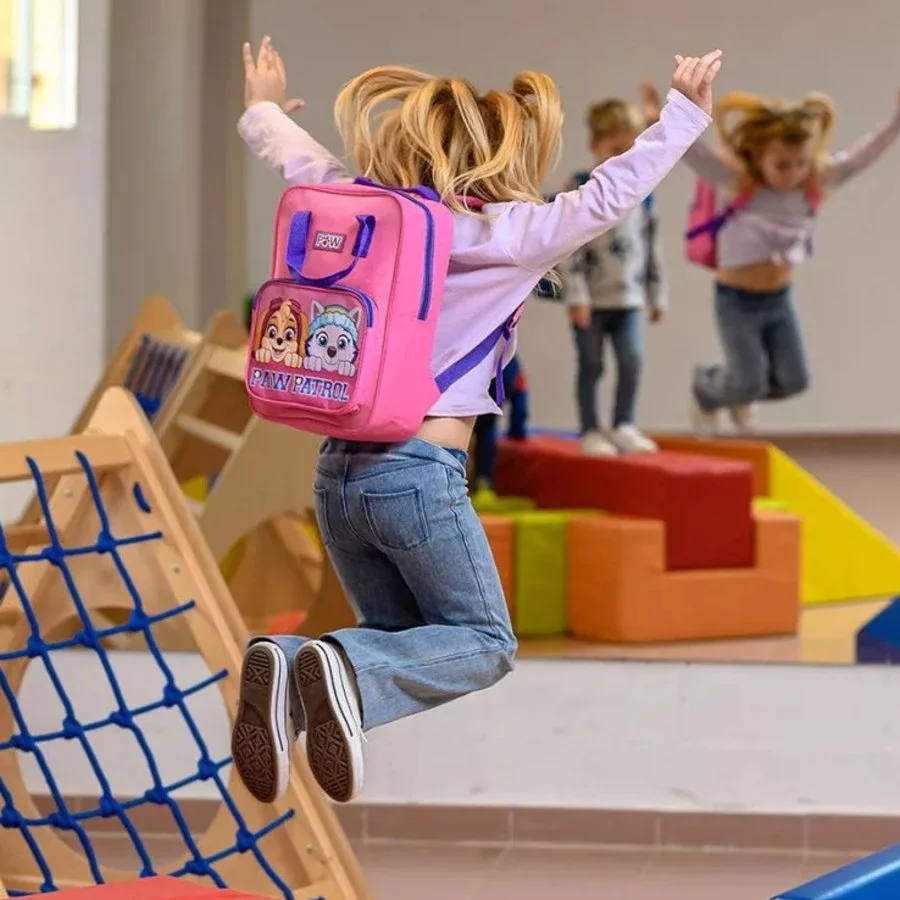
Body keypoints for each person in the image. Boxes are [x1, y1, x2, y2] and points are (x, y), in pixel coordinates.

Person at [232, 36, 722, 805]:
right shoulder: (512, 234)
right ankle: (334, 669)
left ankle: (298, 665)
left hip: (336, 477)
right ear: (502, 158)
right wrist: (683, 115)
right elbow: (609, 194)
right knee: (483, 643)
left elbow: (303, 163)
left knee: (401, 642)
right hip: (417, 478)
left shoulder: (364, 210)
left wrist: (262, 109)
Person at [644, 85, 900, 434]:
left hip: (779, 300)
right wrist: (661, 119)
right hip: (736, 301)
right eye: (781, 165)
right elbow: (693, 153)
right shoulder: (737, 183)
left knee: (794, 380)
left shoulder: (814, 185)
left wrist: (895, 123)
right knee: (748, 380)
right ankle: (706, 389)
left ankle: (737, 389)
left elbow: (861, 157)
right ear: (759, 157)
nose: (792, 173)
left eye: (800, 164)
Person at [561, 94, 668, 455]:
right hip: (591, 301)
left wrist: (657, 294)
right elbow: (568, 246)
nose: (624, 158)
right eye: (616, 149)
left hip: (629, 298)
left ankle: (624, 423)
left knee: (632, 360)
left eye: (630, 149)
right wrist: (576, 295)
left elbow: (652, 245)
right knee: (591, 364)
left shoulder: (643, 193)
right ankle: (590, 429)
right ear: (595, 144)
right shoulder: (580, 187)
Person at [471, 355, 528, 502]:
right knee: (486, 429)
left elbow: (520, 390)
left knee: (483, 428)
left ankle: (482, 482)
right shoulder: (509, 358)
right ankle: (484, 482)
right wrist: (517, 431)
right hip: (493, 385)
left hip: (475, 384)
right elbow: (520, 395)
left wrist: (517, 431)